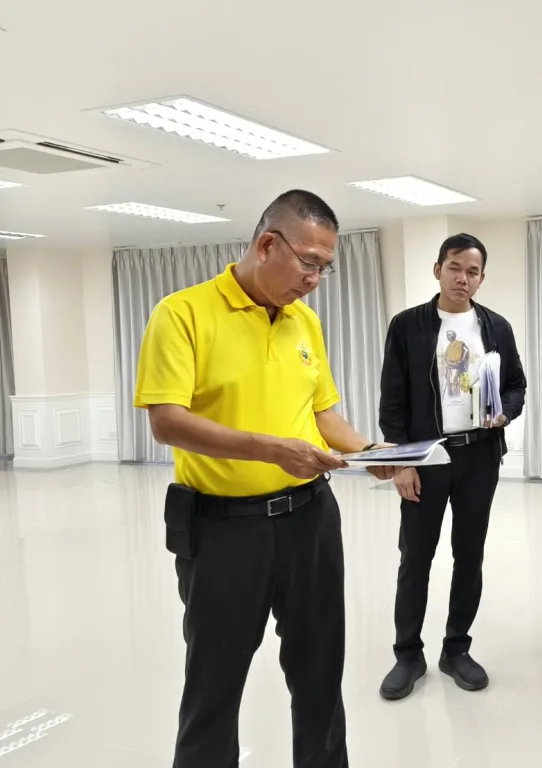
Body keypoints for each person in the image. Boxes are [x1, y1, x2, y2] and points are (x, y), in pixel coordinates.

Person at [134, 190, 396, 768]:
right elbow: (167, 422)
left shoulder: (305, 322)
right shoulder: (182, 313)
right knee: (214, 682)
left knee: (320, 672)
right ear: (267, 244)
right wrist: (271, 450)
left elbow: (322, 413)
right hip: (223, 529)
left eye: (325, 268)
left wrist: (368, 451)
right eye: (309, 263)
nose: (315, 280)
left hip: (310, 520)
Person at [377, 233, 527, 701]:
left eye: (472, 271)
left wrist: (505, 412)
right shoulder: (408, 325)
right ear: (438, 269)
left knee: (469, 554)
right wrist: (403, 462)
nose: (463, 278)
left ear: (482, 278)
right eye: (455, 267)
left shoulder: (496, 327)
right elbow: (393, 402)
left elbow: (517, 386)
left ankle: (456, 648)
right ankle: (408, 654)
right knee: (415, 557)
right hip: (427, 457)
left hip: (479, 456)